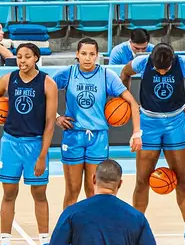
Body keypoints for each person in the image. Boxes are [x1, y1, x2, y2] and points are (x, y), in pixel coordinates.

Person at [119, 42, 185, 245]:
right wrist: (129, 101)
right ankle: (135, 230)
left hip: (175, 122)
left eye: (165, 69)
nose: (162, 71)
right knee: (142, 180)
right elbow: (124, 73)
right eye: (158, 68)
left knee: (182, 180)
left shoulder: (184, 63)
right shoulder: (141, 62)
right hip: (148, 122)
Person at [0, 43, 58, 245]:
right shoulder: (7, 80)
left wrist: (43, 154)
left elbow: (50, 122)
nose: (22, 61)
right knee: (8, 193)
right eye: (19, 57)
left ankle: (44, 243)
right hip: (11, 143)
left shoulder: (47, 83)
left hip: (35, 143)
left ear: (36, 58)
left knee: (39, 194)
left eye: (27, 57)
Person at [54, 38, 141, 223]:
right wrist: (56, 117)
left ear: (98, 56)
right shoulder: (67, 73)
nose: (87, 58)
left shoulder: (106, 75)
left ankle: (91, 233)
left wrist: (136, 132)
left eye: (92, 54)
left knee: (93, 192)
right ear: (77, 55)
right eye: (83, 54)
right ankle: (67, 235)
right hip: (73, 136)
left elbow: (132, 103)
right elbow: (45, 93)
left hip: (98, 137)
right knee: (72, 191)